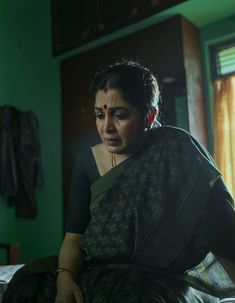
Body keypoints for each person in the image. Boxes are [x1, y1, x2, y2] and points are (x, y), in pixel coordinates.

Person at [54, 59, 235, 303]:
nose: (106, 127)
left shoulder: (178, 152)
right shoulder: (86, 162)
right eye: (99, 115)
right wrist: (64, 279)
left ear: (149, 116)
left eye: (119, 115)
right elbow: (73, 238)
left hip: (160, 283)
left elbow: (224, 233)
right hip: (94, 274)